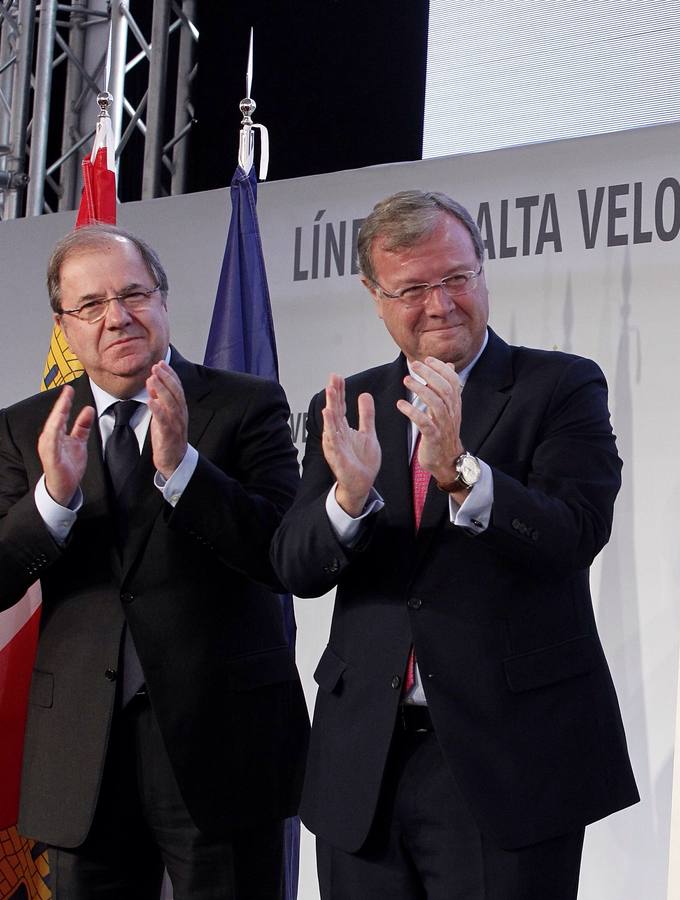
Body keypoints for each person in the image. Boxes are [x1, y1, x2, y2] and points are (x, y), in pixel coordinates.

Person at [271, 190, 638, 899]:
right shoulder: (348, 408)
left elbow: (574, 533)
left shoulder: (558, 386)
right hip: (363, 765)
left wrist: (460, 472)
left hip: (506, 762)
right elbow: (295, 566)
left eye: (456, 279)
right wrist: (348, 499)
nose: (439, 304)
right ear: (374, 297)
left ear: (482, 272)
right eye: (412, 288)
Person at [0, 225, 308, 897]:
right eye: (90, 305)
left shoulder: (245, 403)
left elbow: (281, 554)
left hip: (221, 743)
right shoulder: (29, 425)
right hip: (80, 752)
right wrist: (52, 499)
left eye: (133, 294)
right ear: (64, 328)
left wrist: (184, 468)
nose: (116, 316)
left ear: (162, 298)